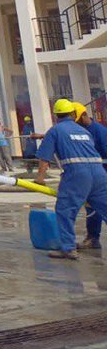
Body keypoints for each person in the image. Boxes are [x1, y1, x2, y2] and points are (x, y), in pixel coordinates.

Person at [35, 98, 107, 260]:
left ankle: (68, 248)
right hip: (99, 172)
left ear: (56, 116)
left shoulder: (55, 130)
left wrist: (40, 178)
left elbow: (45, 157)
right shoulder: (84, 131)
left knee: (65, 209)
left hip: (77, 173)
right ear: (73, 114)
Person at [74, 102, 107, 250]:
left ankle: (93, 238)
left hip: (102, 171)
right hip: (93, 174)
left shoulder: (99, 131)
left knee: (99, 205)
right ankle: (93, 238)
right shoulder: (82, 130)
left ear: (84, 115)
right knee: (92, 207)